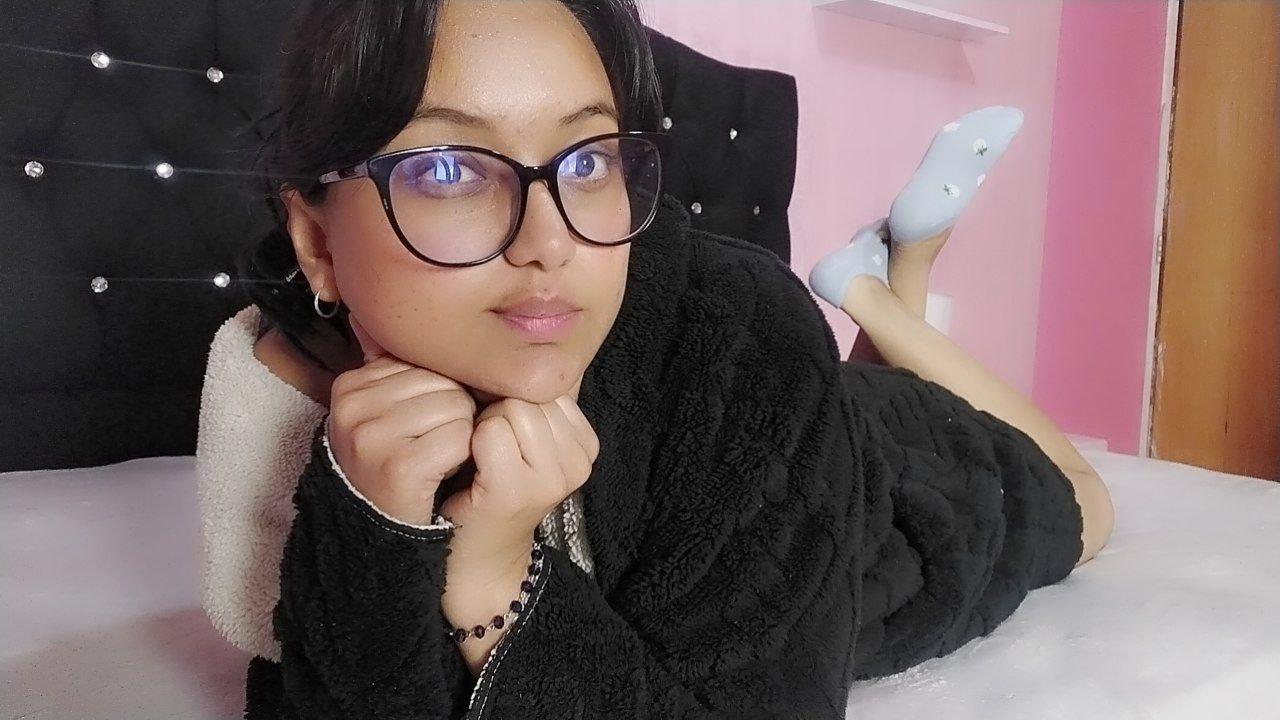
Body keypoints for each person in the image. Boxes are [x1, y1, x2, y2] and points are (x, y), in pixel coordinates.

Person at [193, 0, 1114, 717]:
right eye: (448, 170)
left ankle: (885, 284)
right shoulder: (277, 392)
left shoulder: (740, 326)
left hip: (893, 474)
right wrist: (370, 525)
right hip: (803, 417)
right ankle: (885, 281)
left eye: (587, 159)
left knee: (1089, 497)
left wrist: (499, 578)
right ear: (317, 242)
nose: (551, 243)